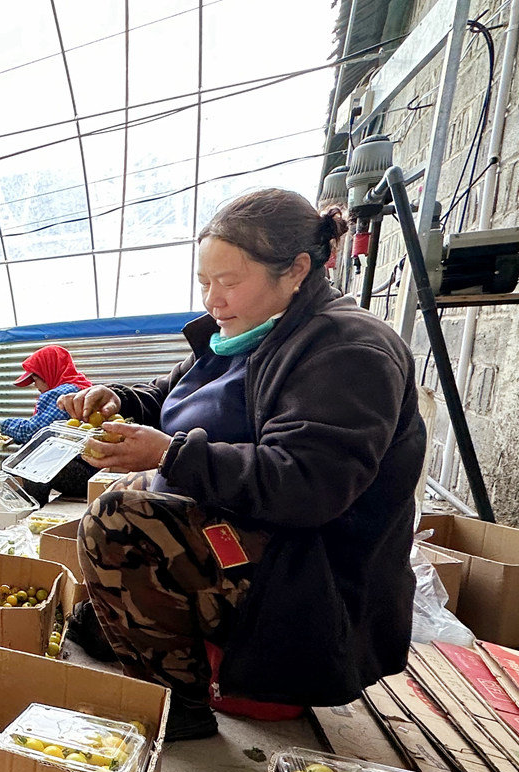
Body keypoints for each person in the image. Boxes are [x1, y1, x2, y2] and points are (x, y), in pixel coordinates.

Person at [62, 188, 425, 741]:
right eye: (205, 282)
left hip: (309, 576)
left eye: (229, 282)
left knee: (120, 519)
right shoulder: (246, 333)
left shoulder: (349, 350)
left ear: (297, 270)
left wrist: (167, 453)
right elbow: (176, 396)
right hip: (262, 539)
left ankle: (179, 706)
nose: (212, 299)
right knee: (137, 491)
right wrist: (119, 400)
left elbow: (308, 483)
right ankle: (156, 635)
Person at [0, 344, 97, 503]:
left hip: (81, 473)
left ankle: (30, 507)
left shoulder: (62, 393)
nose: (35, 385)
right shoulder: (81, 386)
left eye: (35, 378)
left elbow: (35, 432)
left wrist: (4, 426)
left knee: (28, 459)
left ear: (48, 371)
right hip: (92, 471)